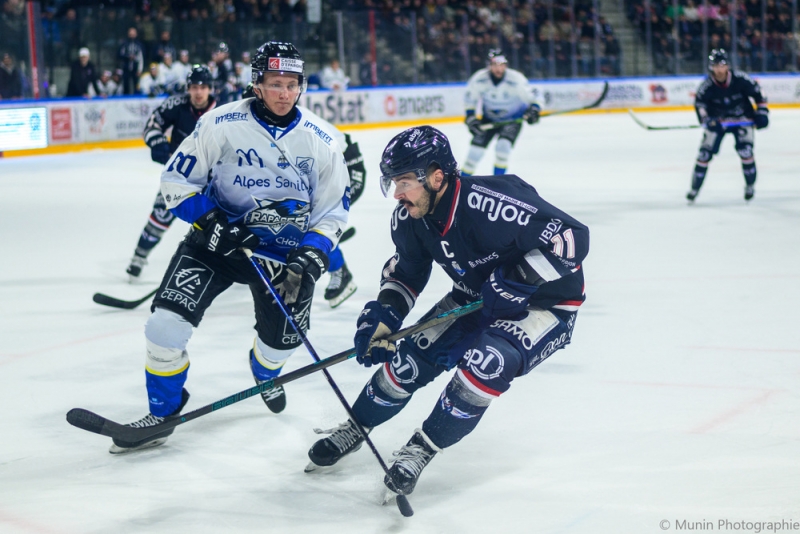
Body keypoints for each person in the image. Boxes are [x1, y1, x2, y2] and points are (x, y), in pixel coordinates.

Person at [305, 126, 589, 499]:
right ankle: (356, 426)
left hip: (544, 304)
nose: (397, 193)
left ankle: (421, 449)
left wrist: (518, 280)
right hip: (474, 297)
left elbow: (572, 238)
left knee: (487, 363)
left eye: (404, 181)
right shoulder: (409, 217)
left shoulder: (495, 201)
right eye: (392, 182)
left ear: (437, 176)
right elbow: (406, 274)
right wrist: (385, 318)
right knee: (406, 363)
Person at [109, 41, 350, 454]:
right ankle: (163, 413)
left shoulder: (323, 139)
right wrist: (210, 219)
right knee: (164, 327)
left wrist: (312, 253)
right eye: (275, 83)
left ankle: (264, 370)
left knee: (280, 349)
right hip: (214, 245)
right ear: (256, 84)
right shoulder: (219, 124)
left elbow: (332, 213)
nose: (284, 93)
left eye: (292, 84)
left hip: (282, 259)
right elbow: (176, 182)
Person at [125, 65, 218, 281]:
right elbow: (152, 125)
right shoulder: (177, 104)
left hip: (214, 181)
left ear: (210, 89)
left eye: (203, 87)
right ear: (188, 88)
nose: (198, 92)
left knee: (220, 223)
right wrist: (158, 143)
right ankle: (138, 258)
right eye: (194, 87)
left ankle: (231, 267)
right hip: (180, 178)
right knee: (160, 215)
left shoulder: (223, 111)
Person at [687, 48, 769, 202]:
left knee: (746, 152)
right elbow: (700, 105)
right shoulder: (706, 86)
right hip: (719, 122)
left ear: (728, 65)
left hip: (742, 119)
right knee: (704, 154)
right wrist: (708, 121)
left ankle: (750, 186)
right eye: (716, 65)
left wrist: (762, 113)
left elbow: (759, 93)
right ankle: (694, 189)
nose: (719, 69)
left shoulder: (741, 79)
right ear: (711, 67)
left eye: (722, 65)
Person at [461, 49, 541, 176]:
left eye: (502, 65)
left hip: (512, 120)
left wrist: (534, 109)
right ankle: (459, 185)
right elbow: (470, 99)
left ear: (506, 65)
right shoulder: (479, 79)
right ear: (489, 65)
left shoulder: (516, 79)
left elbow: (534, 96)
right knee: (474, 154)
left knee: (503, 148)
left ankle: (498, 183)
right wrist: (471, 117)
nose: (498, 69)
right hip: (489, 119)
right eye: (495, 65)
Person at [118, 27, 144, 95]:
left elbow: (141, 58)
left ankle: (137, 98)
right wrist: (128, 57)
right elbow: (120, 55)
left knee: (136, 85)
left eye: (133, 33)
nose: (132, 35)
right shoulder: (124, 44)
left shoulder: (139, 45)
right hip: (126, 68)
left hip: (135, 68)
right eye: (130, 33)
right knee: (126, 85)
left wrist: (139, 69)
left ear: (136, 34)